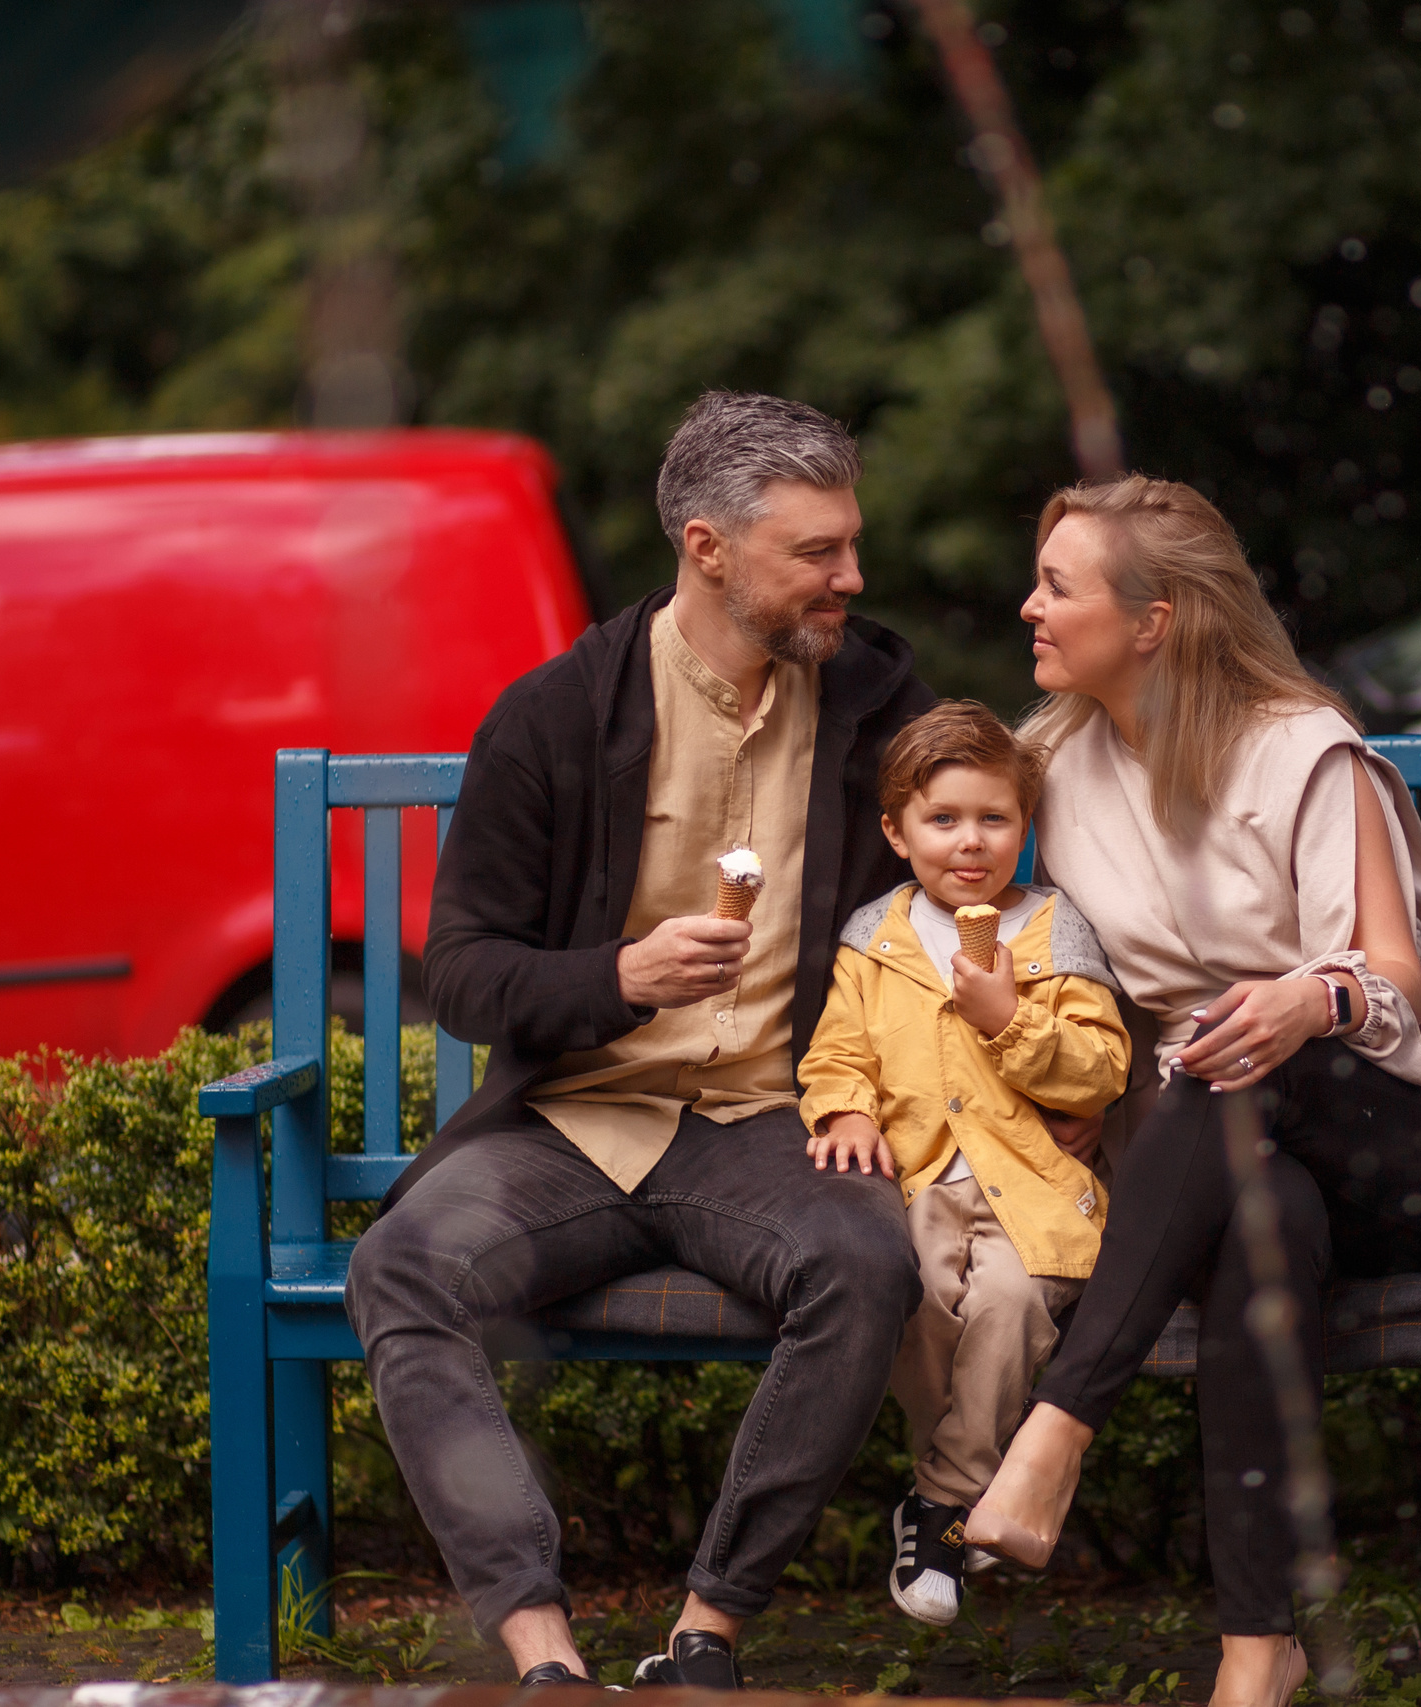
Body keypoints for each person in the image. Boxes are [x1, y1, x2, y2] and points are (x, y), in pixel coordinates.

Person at [344, 391, 936, 1691]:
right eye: (817, 551)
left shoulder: (880, 698)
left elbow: (969, 884)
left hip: (774, 1122)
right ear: (708, 548)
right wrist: (620, 974)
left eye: (851, 543)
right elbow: (465, 973)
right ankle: (541, 1650)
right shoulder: (557, 715)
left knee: (865, 1261)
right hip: (575, 1121)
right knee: (404, 1266)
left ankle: (706, 1632)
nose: (852, 575)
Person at [961, 476, 1421, 1707]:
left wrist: (1305, 1003)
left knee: (1239, 1056)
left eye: (1056, 587)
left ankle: (1056, 1430)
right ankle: (1257, 1654)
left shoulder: (1302, 749)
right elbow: (1014, 915)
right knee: (1268, 1218)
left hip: (1389, 1127)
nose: (1028, 608)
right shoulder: (1055, 760)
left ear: (1151, 622)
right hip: (1222, 1153)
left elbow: (1389, 972)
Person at [795, 700, 1132, 1627]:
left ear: (1026, 827)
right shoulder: (877, 938)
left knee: (1013, 1303)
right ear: (896, 832)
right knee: (915, 1299)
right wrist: (846, 1107)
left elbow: (1102, 1067)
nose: (971, 841)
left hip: (1030, 1182)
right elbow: (836, 1052)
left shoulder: (1055, 930)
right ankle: (974, 1489)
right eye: (943, 819)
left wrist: (1008, 1019)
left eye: (995, 817)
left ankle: (939, 1503)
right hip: (914, 1177)